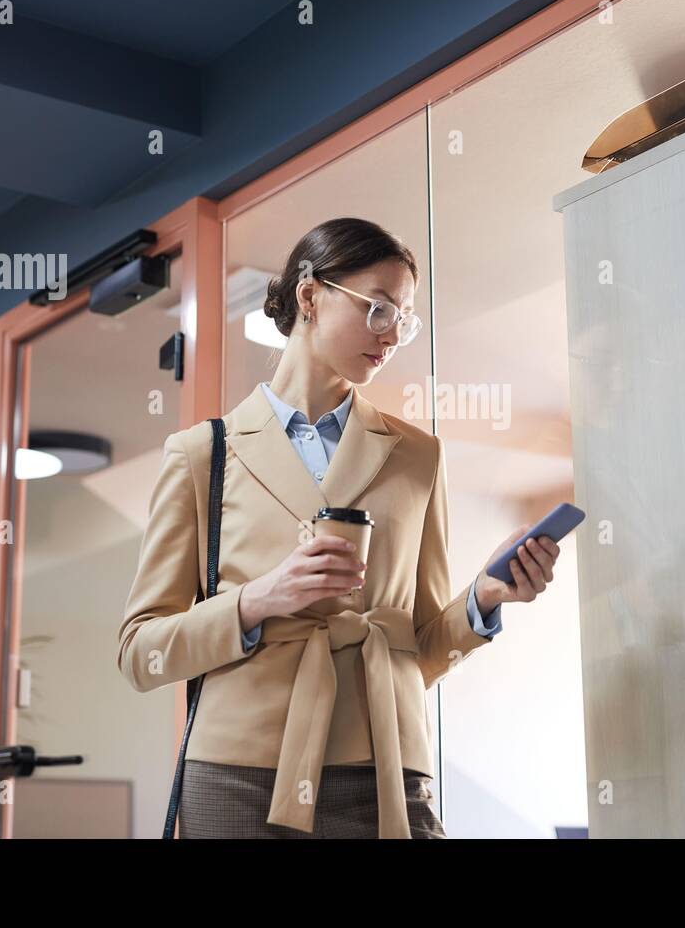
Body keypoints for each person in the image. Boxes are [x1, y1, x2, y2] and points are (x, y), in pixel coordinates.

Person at [117, 216, 561, 838]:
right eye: (378, 309)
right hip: (240, 771)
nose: (391, 336)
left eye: (403, 321)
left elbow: (422, 651)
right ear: (309, 295)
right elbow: (141, 652)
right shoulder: (202, 455)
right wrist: (257, 601)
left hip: (383, 768)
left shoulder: (417, 456)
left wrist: (486, 597)